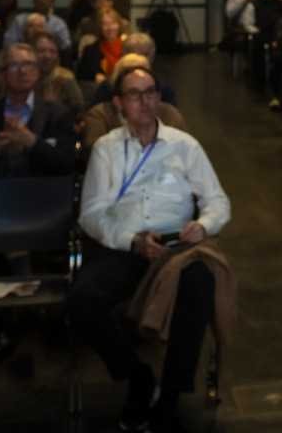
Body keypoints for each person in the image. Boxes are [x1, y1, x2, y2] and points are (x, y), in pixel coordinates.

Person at [69, 67, 230, 433]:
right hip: (125, 244)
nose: (144, 101)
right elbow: (91, 213)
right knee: (81, 301)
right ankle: (136, 377)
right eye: (134, 94)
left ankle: (170, 395)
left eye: (150, 93)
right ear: (119, 103)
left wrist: (203, 225)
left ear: (159, 98)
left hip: (176, 245)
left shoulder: (184, 145)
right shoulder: (106, 148)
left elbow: (217, 200)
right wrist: (132, 242)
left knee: (199, 285)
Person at [0, 44, 77, 179]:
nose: (22, 71)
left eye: (28, 64)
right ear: (1, 76)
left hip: (41, 190)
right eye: (14, 66)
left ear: (37, 72)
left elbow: (67, 165)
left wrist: (33, 142)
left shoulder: (58, 114)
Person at [80, 55, 188, 150]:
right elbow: (94, 151)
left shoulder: (169, 114)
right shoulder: (99, 115)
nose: (144, 100)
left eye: (149, 91)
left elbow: (181, 150)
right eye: (133, 92)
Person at [91, 33, 179, 107]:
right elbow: (94, 116)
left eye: (144, 55)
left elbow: (171, 118)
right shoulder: (108, 87)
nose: (139, 59)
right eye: (133, 54)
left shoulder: (164, 88)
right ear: (123, 56)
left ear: (152, 57)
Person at [2, 0, 74, 58]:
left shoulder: (59, 24)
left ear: (52, 3)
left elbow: (65, 47)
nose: (42, 1)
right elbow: (8, 44)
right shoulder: (19, 20)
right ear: (33, 0)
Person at [31, 33, 86, 118]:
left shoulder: (66, 77)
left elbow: (79, 110)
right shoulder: (22, 77)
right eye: (41, 51)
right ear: (31, 53)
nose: (47, 56)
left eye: (52, 52)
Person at [77, 9, 127, 83]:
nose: (110, 28)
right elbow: (81, 77)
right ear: (99, 27)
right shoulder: (90, 51)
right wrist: (94, 77)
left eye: (113, 23)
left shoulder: (127, 48)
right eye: (105, 24)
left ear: (119, 25)